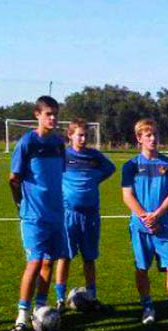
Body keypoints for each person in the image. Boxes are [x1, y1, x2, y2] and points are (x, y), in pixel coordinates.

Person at [122, 118, 168, 326]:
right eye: (148, 135)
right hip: (140, 227)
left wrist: (158, 215)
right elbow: (127, 196)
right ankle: (147, 308)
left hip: (163, 226)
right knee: (142, 268)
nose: (153, 139)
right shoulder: (131, 165)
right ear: (139, 138)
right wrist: (146, 217)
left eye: (155, 134)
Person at [7, 96, 66, 331]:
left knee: (48, 263)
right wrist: (20, 202)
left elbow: (57, 175)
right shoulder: (27, 143)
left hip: (55, 214)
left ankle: (39, 309)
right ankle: (21, 317)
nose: (52, 118)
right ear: (37, 115)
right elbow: (13, 178)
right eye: (48, 114)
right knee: (34, 263)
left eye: (55, 114)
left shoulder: (58, 143)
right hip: (33, 215)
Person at [54, 118, 115, 311]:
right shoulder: (62, 156)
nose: (83, 138)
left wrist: (94, 178)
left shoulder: (94, 156)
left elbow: (110, 169)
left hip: (90, 216)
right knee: (64, 256)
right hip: (68, 215)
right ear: (70, 135)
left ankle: (92, 296)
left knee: (89, 258)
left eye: (85, 135)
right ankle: (60, 299)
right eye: (79, 135)